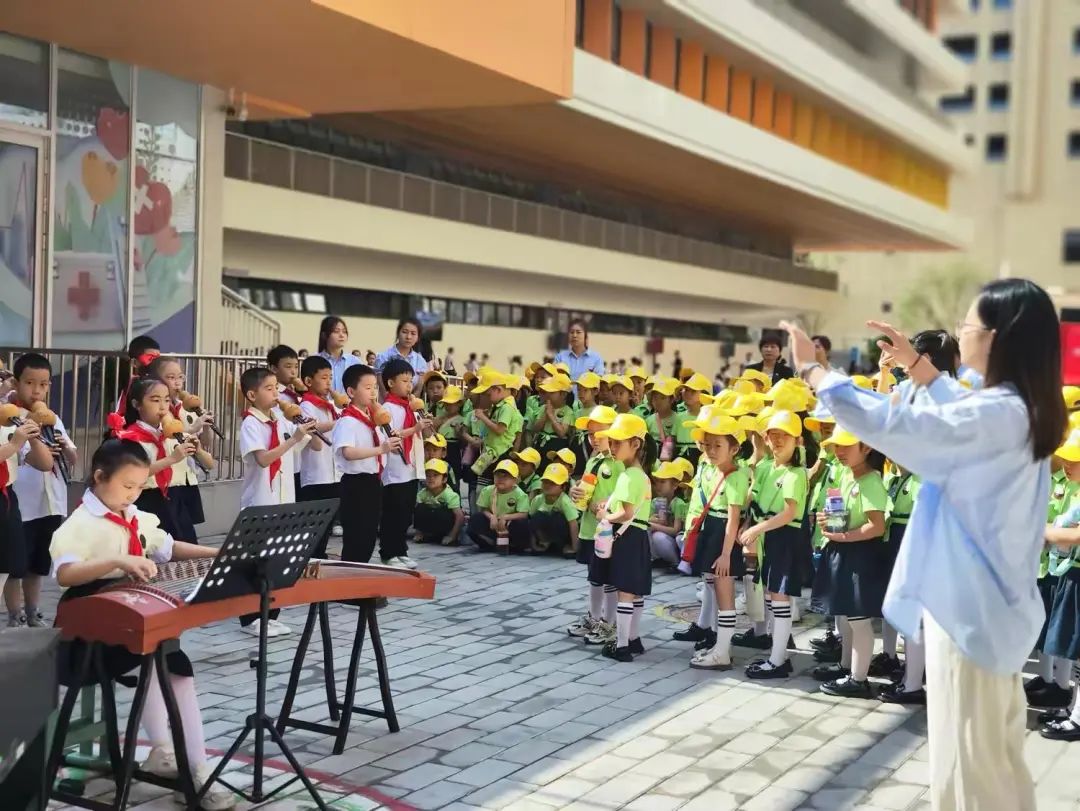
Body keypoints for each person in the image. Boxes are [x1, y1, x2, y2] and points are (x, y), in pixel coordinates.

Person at [782, 277, 1067, 811]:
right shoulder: (1015, 405)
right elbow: (954, 404)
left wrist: (813, 371)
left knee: (971, 771)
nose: (961, 332)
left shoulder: (997, 413)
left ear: (997, 337)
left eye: (968, 324)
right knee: (993, 760)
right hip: (986, 611)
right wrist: (917, 366)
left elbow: (896, 422)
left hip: (968, 613)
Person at [49, 439, 235, 809]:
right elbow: (66, 574)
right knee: (157, 659)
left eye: (138, 486)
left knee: (169, 663)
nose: (133, 494)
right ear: (100, 477)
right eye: (127, 486)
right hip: (90, 626)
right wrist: (118, 560)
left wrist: (221, 554)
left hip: (137, 615)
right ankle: (185, 765)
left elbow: (169, 547)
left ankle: (183, 760)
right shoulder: (80, 523)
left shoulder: (134, 515)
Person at [238, 367, 317, 636]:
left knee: (278, 560)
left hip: (283, 499)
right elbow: (263, 459)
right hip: (260, 502)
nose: (276, 393)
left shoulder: (281, 420)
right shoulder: (251, 423)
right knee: (257, 562)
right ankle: (251, 618)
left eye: (277, 388)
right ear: (252, 394)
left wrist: (305, 426)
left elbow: (313, 446)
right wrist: (293, 438)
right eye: (269, 388)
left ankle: (270, 614)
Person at [673, 414, 748, 671]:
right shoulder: (708, 469)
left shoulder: (736, 476)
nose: (711, 450)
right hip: (710, 530)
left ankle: (723, 653)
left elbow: (733, 519)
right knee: (715, 590)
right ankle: (718, 645)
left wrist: (726, 553)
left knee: (725, 596)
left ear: (734, 448)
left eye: (718, 445)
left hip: (723, 535)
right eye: (708, 445)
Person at [590, 413, 655, 663]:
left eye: (618, 442)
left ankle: (622, 646)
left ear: (636, 444)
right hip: (637, 535)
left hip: (627, 537)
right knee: (634, 592)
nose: (613, 447)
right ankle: (634, 639)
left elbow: (625, 512)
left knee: (625, 593)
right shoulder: (639, 475)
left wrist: (604, 514)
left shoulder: (630, 475)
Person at [2, 358, 58, 624]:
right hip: (18, 499)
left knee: (20, 561)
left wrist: (34, 436)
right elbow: (10, 448)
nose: (36, 391)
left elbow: (45, 463)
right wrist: (15, 443)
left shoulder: (19, 416)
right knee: (12, 567)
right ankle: (14, 614)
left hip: (9, 498)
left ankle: (27, 614)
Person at [333, 364, 400, 563]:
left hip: (372, 481)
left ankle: (359, 585)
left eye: (375, 388)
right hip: (356, 484)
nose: (373, 393)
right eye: (368, 388)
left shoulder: (372, 419)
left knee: (369, 536)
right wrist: (381, 449)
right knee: (356, 538)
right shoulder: (347, 421)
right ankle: (349, 587)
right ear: (351, 392)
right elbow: (348, 452)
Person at [567, 406, 622, 645]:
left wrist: (601, 506)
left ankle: (609, 622)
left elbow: (621, 496)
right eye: (589, 435)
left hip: (607, 528)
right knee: (594, 575)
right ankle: (594, 616)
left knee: (608, 576)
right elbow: (586, 488)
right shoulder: (594, 459)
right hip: (590, 527)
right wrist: (575, 492)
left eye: (598, 434)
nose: (593, 439)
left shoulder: (619, 463)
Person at [379, 358, 430, 569]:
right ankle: (388, 552)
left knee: (406, 511)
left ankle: (401, 550)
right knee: (393, 511)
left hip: (411, 467)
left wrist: (424, 424)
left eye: (411, 381)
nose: (409, 386)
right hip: (395, 468)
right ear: (391, 383)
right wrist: (415, 428)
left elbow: (419, 434)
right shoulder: (387, 408)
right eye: (405, 381)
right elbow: (392, 434)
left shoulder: (410, 406)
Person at [297, 355, 340, 557]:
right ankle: (311, 557)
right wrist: (337, 422)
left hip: (333, 473)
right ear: (308, 381)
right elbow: (310, 426)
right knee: (314, 522)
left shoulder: (330, 405)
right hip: (316, 475)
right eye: (323, 378)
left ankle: (320, 556)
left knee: (328, 522)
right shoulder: (306, 405)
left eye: (330, 378)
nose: (328, 382)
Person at [467, 460, 528, 552]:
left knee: (522, 525)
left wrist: (506, 517)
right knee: (475, 519)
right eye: (497, 475)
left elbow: (523, 514)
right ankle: (490, 543)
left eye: (505, 476)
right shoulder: (487, 490)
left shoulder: (520, 494)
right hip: (493, 523)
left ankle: (513, 546)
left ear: (515, 480)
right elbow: (483, 509)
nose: (500, 479)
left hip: (509, 524)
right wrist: (491, 516)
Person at [413, 459, 464, 545]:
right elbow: (417, 513)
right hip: (432, 525)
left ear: (444, 479)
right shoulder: (422, 494)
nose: (431, 478)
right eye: (428, 476)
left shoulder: (450, 495)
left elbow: (460, 517)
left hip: (446, 527)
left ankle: (449, 536)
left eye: (435, 475)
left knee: (446, 512)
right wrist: (418, 531)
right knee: (419, 507)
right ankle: (422, 534)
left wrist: (452, 536)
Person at [374, 318, 430, 392]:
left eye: (413, 333)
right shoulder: (383, 357)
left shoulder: (420, 361)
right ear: (398, 333)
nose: (408, 337)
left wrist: (410, 402)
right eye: (404, 332)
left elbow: (418, 389)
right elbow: (381, 386)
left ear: (418, 338)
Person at [316, 316, 361, 395]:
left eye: (344, 331)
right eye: (336, 331)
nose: (341, 335)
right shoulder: (315, 360)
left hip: (348, 406)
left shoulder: (354, 362)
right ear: (324, 335)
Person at [554, 319, 605, 384]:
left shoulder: (596, 358)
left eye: (578, 332)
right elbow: (554, 380)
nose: (574, 335)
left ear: (585, 335)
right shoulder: (560, 357)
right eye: (571, 332)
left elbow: (598, 381)